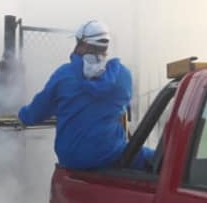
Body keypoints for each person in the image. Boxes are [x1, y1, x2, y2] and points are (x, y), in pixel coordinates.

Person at [17, 20, 154, 170]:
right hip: (110, 156)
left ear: (84, 45)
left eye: (77, 43)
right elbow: (122, 106)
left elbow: (36, 112)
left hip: (71, 161)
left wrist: (23, 116)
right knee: (158, 159)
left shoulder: (64, 75)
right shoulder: (122, 75)